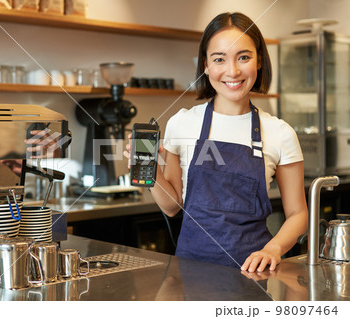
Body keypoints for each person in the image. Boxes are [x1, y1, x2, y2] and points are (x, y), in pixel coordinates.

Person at [124, 12, 308, 272]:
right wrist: (151, 171)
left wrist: (273, 249)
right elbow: (172, 206)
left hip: (253, 274)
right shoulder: (182, 123)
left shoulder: (280, 132)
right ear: (206, 65)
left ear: (259, 62)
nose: (232, 71)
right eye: (219, 59)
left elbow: (298, 215)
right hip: (190, 273)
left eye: (244, 57)